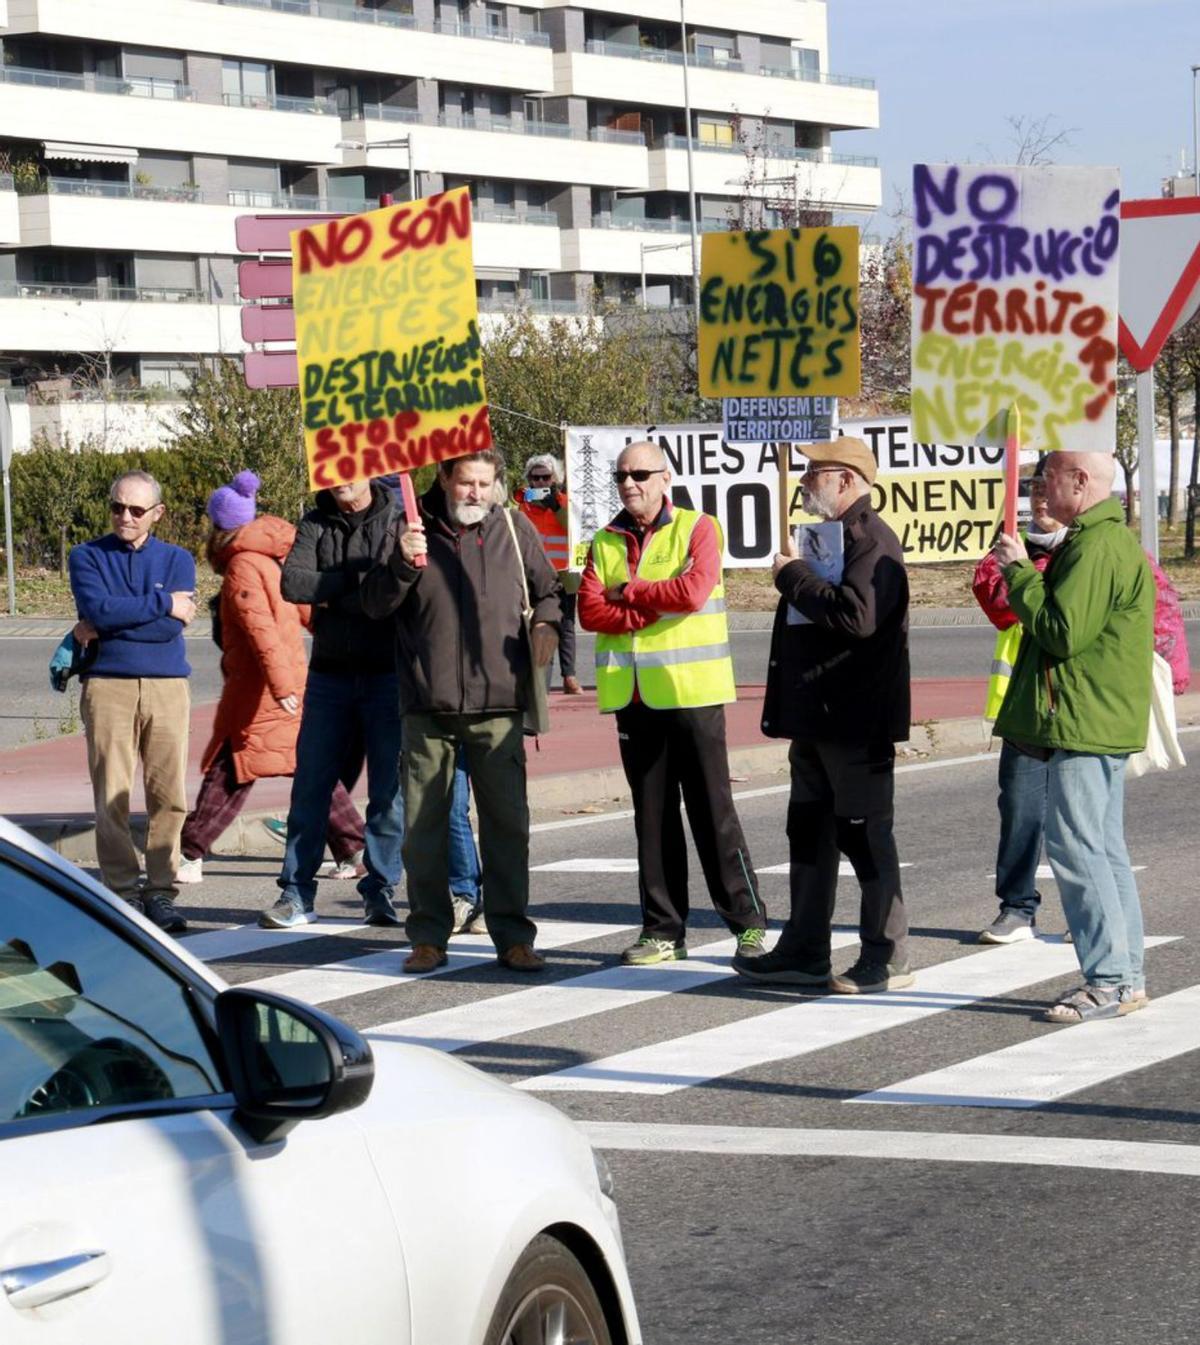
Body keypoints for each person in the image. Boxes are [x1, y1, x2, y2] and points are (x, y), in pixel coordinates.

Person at [362, 450, 560, 974]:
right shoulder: (407, 526)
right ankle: (428, 935)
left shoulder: (514, 528)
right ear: (444, 477)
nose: (475, 493)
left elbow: (550, 592)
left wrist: (546, 625)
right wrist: (403, 563)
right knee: (423, 828)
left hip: (499, 704)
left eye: (485, 483)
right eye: (466, 482)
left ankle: (513, 936)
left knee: (507, 825)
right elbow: (375, 605)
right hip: (427, 705)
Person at [577, 440, 767, 966]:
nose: (629, 484)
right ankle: (663, 929)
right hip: (633, 696)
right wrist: (640, 607)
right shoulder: (605, 539)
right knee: (652, 817)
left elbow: (693, 591)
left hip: (692, 693)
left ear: (665, 477)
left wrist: (630, 593)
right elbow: (590, 610)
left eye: (640, 474)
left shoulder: (697, 527)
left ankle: (748, 925)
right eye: (621, 476)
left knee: (713, 812)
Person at [734, 437, 913, 993]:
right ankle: (805, 949)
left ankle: (885, 955)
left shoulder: (871, 541)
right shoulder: (829, 538)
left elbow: (858, 618)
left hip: (854, 722)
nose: (806, 482)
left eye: (815, 473)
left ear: (845, 479)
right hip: (817, 716)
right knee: (809, 832)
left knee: (863, 836)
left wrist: (792, 576)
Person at [993, 450, 1154, 1024]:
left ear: (1080, 482)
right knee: (1102, 850)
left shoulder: (1097, 545)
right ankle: (1125, 976)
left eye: (1047, 477)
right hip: (1095, 716)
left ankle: (1108, 980)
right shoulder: (1098, 540)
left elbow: (1063, 633)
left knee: (1079, 849)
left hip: (1084, 719)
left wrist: (1016, 572)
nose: (1038, 488)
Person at [176, 471, 366, 883]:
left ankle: (189, 854)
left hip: (261, 691)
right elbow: (308, 613)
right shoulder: (270, 560)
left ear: (219, 527)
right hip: (285, 684)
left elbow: (259, 630)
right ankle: (353, 849)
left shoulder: (243, 567)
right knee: (310, 769)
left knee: (232, 769)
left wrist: (280, 686)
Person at [263, 475, 406, 929]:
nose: (342, 479)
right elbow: (294, 583)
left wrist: (337, 594)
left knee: (389, 792)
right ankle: (295, 893)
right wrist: (356, 585)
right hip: (330, 676)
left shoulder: (399, 520)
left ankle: (379, 888)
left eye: (352, 468)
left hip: (389, 675)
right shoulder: (315, 522)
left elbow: (395, 593)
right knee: (311, 786)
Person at [68, 470, 196, 932]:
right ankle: (122, 891)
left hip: (167, 686)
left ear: (156, 514)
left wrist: (123, 615)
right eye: (117, 507)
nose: (125, 516)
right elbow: (98, 610)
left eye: (136, 510)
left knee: (169, 795)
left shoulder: (179, 559)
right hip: (108, 685)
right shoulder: (85, 555)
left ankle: (161, 891)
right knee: (112, 796)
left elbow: (165, 632)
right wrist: (162, 604)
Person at [971, 464, 1067, 943]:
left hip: (1081, 706)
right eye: (1035, 489)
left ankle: (1086, 909)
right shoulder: (1008, 552)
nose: (1042, 500)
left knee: (1082, 817)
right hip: (1026, 708)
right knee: (1021, 810)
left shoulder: (1091, 548)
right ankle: (1017, 908)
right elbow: (1001, 602)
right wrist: (1021, 566)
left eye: (1050, 489)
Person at [515, 454, 583, 694]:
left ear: (555, 478)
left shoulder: (566, 503)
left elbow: (574, 531)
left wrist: (556, 507)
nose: (540, 482)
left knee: (566, 625)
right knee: (541, 624)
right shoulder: (523, 504)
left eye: (546, 477)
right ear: (529, 480)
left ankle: (570, 676)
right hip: (533, 574)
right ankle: (541, 680)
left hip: (563, 573)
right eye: (535, 478)